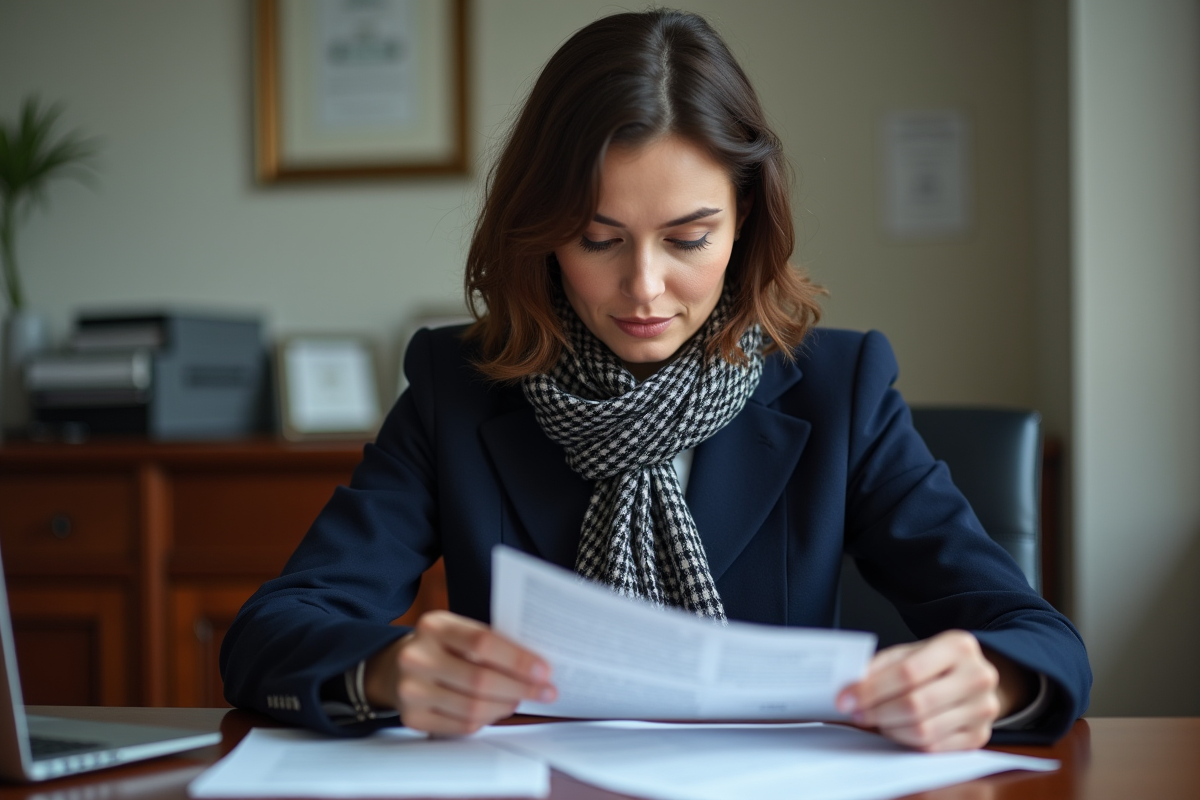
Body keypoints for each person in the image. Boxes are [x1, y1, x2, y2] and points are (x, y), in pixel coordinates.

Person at [221, 9, 1090, 751]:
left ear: (744, 221)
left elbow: (1041, 639)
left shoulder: (839, 390)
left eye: (687, 238)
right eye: (599, 240)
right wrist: (381, 670)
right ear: (544, 234)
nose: (643, 287)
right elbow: (271, 633)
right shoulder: (461, 389)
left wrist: (992, 682)